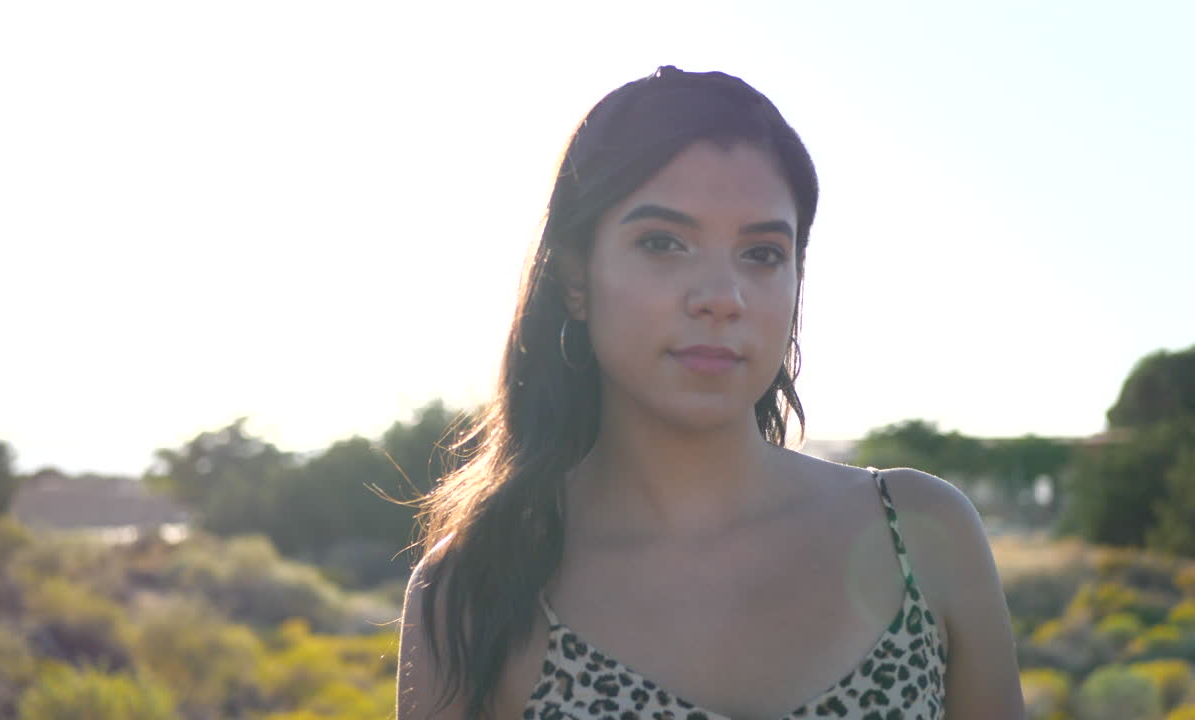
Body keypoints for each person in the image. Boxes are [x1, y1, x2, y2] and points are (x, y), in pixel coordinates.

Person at [397, 65, 1024, 719]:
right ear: (576, 277)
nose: (723, 298)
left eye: (761, 254)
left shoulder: (919, 536)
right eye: (663, 243)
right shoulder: (474, 591)